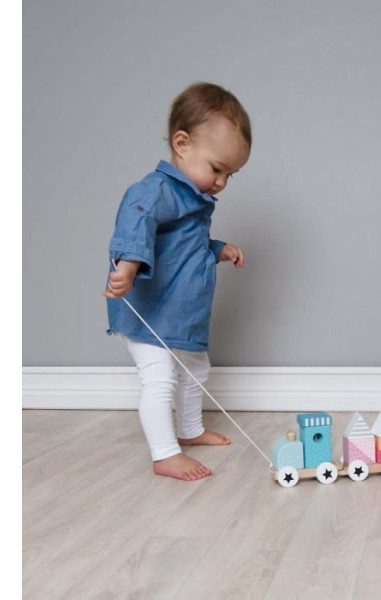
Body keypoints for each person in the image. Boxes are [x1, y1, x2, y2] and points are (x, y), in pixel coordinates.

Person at [104, 82, 251, 481]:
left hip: (181, 314)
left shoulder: (191, 199)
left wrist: (217, 249)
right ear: (182, 144)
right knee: (160, 378)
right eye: (217, 168)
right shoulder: (156, 191)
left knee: (196, 370)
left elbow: (184, 245)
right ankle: (165, 453)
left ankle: (189, 429)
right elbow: (136, 223)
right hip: (150, 312)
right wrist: (129, 265)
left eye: (230, 174)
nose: (221, 182)